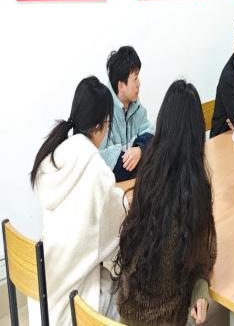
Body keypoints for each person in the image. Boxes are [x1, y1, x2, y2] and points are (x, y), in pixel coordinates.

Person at [115, 80, 217, 326]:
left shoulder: (148, 174)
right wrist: (201, 287)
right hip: (164, 320)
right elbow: (206, 255)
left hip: (126, 312)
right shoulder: (194, 192)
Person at [29, 77, 127, 326]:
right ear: (100, 125)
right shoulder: (95, 169)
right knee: (127, 294)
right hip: (72, 306)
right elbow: (117, 231)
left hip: (42, 300)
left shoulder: (56, 156)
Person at [100, 46, 154, 183]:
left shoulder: (135, 105)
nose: (139, 84)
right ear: (121, 85)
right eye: (135, 79)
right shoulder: (102, 111)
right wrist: (144, 155)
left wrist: (140, 149)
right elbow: (109, 164)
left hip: (136, 184)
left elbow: (151, 134)